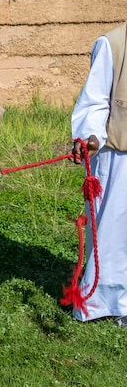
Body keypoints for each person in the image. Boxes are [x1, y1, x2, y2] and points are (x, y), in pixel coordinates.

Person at [70, 21, 127, 325]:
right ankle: (107, 302)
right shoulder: (112, 44)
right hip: (119, 157)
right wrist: (90, 136)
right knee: (113, 233)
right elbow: (94, 102)